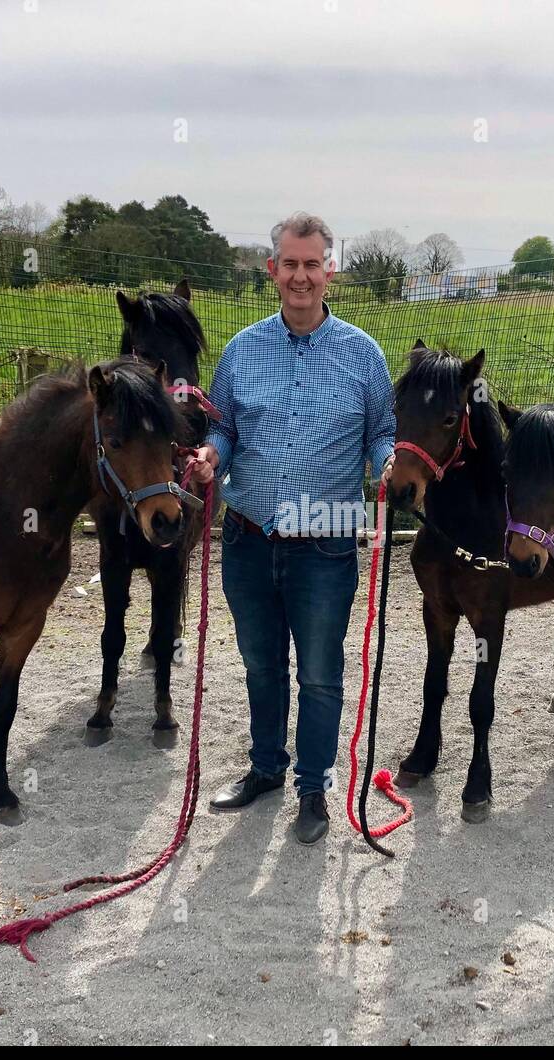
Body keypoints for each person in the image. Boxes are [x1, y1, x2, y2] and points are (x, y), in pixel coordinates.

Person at [185, 212, 395, 844]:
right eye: (290, 264)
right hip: (249, 536)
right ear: (271, 270)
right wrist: (212, 455)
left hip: (325, 542)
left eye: (313, 264)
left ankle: (313, 787)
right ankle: (266, 768)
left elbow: (382, 432)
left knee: (321, 673)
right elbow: (222, 425)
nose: (301, 276)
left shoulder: (363, 355)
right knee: (260, 664)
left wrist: (388, 464)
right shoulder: (242, 350)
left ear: (330, 271)